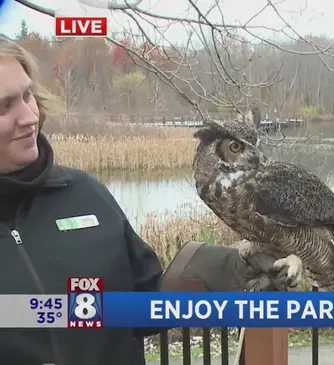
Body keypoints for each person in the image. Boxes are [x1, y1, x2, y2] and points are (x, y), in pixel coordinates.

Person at [0, 37, 293, 365]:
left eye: (28, 95)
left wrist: (228, 271)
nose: (29, 116)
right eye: (3, 106)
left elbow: (143, 303)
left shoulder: (83, 195)